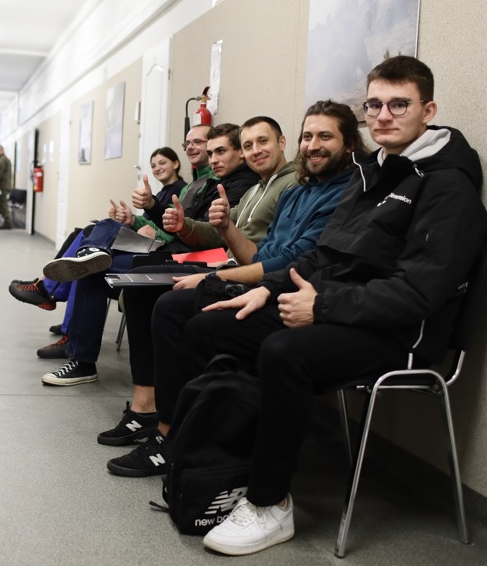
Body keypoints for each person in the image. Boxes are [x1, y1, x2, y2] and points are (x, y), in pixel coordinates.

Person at [160, 56, 487, 556]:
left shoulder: (448, 187)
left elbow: (418, 294)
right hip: (340, 308)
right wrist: (270, 289)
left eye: (399, 104)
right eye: (374, 105)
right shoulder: (374, 174)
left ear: (428, 110)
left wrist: (323, 307)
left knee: (284, 352)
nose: (383, 115)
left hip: (401, 333)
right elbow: (324, 255)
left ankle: (270, 503)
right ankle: (223, 467)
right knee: (208, 324)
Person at [103, 102, 364, 476]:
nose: (313, 144)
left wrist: (217, 276)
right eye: (308, 136)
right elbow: (258, 251)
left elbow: (295, 260)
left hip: (283, 289)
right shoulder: (289, 190)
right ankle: (164, 422)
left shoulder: (330, 189)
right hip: (250, 273)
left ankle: (177, 435)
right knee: (149, 289)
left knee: (176, 309)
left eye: (325, 136)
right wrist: (222, 228)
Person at [39, 124, 259, 384]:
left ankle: (73, 340)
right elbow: (184, 225)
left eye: (219, 151)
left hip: (192, 257)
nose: (212, 158)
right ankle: (85, 261)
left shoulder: (237, 185)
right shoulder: (207, 183)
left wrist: (161, 219)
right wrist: (151, 213)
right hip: (174, 248)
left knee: (94, 264)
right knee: (99, 238)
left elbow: (205, 233)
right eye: (210, 153)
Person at [11, 146, 187, 355]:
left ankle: (49, 292)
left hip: (158, 250)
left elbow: (173, 228)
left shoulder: (180, 190)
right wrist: (131, 219)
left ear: (176, 163)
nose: (157, 168)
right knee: (82, 238)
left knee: (90, 251)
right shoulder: (162, 192)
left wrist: (142, 225)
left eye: (162, 163)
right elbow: (152, 223)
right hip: (146, 242)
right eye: (153, 165)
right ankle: (52, 295)